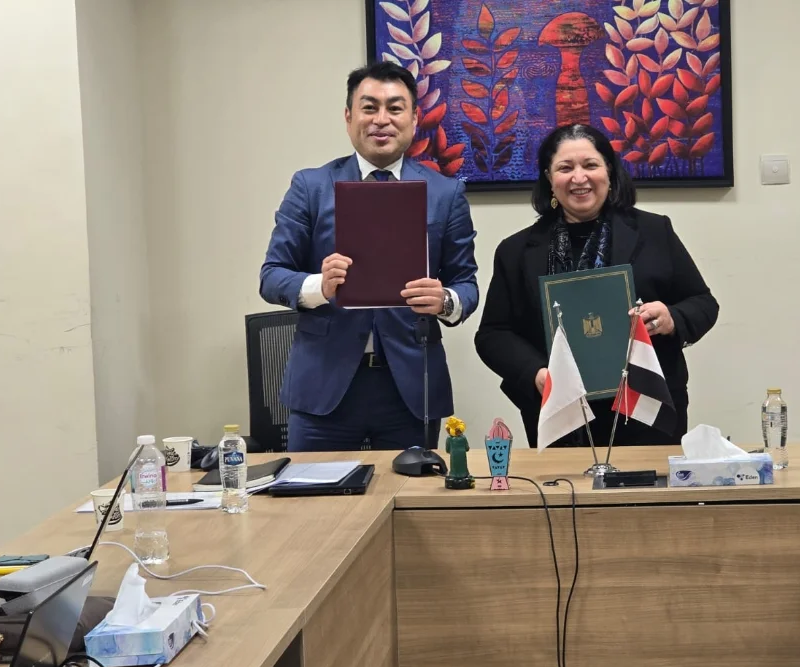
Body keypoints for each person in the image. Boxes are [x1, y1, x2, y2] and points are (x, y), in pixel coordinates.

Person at [260, 62, 479, 452]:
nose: (382, 119)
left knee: (410, 491)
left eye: (395, 108)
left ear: (414, 118)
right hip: (323, 387)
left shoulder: (445, 194)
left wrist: (445, 300)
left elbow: (466, 284)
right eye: (369, 107)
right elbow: (272, 275)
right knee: (313, 493)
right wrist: (320, 286)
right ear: (348, 117)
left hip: (410, 390)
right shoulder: (311, 187)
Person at [474, 123, 718, 448]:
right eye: (565, 168)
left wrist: (671, 318)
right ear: (549, 178)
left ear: (609, 172)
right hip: (559, 412)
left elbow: (703, 303)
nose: (579, 178)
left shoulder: (654, 231)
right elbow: (493, 335)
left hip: (646, 409)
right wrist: (536, 373)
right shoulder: (516, 251)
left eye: (590, 165)